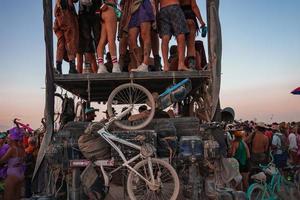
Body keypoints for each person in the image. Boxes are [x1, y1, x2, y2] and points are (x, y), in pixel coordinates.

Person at [155, 0, 190, 71]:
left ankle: (166, 65)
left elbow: (155, 3)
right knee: (180, 35)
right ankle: (181, 64)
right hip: (174, 7)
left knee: (165, 37)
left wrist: (156, 16)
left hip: (163, 9)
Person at [128, 0, 155, 72]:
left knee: (145, 35)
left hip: (144, 4)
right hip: (133, 6)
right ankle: (139, 63)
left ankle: (145, 64)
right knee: (131, 38)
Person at [53, 0, 79, 74]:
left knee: (61, 42)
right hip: (66, 14)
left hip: (58, 16)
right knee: (71, 41)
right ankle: (72, 68)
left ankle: (58, 68)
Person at [77, 0, 102, 73]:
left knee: (98, 38)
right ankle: (93, 67)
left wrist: (98, 11)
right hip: (83, 13)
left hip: (95, 11)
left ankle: (100, 64)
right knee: (87, 40)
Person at [0, 128, 25, 200]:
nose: (7, 140)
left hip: (12, 175)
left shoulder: (12, 149)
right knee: (17, 197)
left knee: (7, 197)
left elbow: (1, 161)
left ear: (12, 139)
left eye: (8, 138)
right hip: (20, 173)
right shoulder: (21, 148)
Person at [179, 0, 206, 69]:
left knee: (181, 43)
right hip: (190, 15)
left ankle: (181, 63)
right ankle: (191, 65)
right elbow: (194, 7)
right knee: (191, 43)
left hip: (178, 16)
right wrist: (201, 22)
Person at [97, 0, 121, 73]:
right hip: (110, 9)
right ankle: (115, 66)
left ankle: (101, 66)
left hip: (103, 11)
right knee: (111, 39)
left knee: (103, 40)